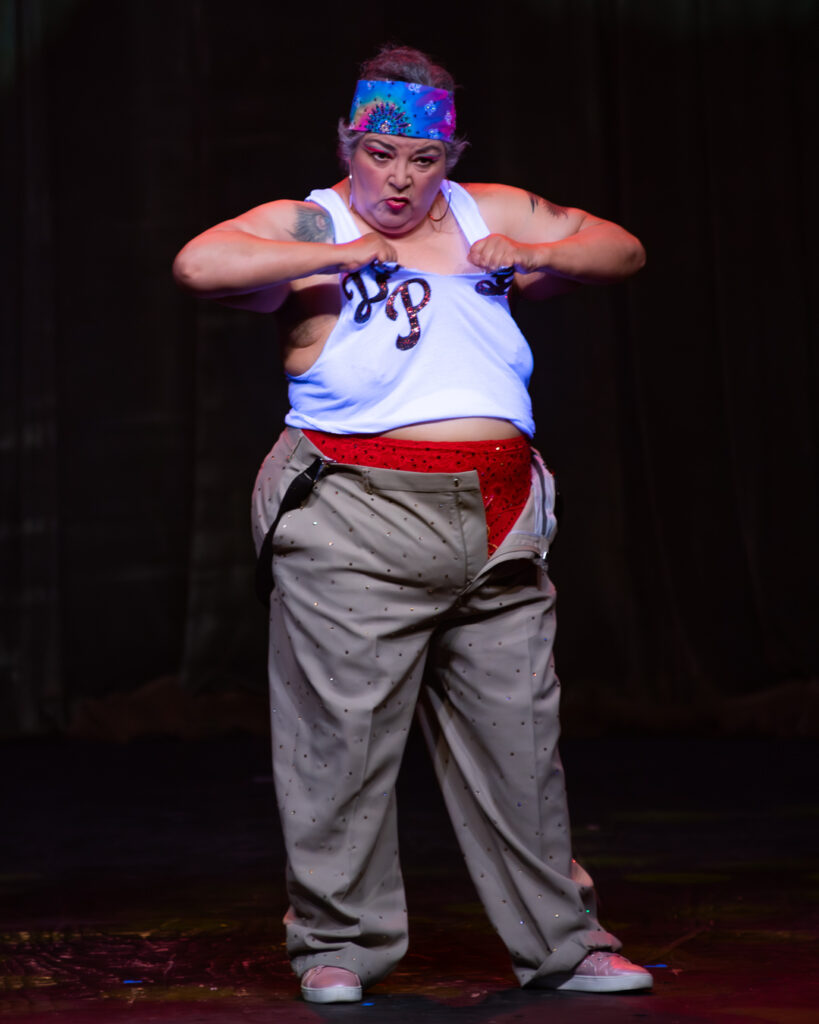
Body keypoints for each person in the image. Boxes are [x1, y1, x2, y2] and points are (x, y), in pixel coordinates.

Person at [173, 45, 650, 1004]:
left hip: (499, 514)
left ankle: (564, 944)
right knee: (339, 748)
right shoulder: (313, 220)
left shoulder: (485, 210)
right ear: (349, 145)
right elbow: (199, 264)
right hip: (356, 511)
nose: (398, 179)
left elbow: (621, 250)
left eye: (421, 159)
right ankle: (337, 946)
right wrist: (333, 255)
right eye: (379, 154)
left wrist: (536, 255)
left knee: (520, 746)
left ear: (448, 157)